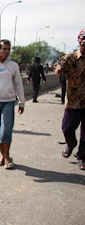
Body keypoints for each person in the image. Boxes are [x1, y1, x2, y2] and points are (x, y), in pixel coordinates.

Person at [0, 39, 25, 169]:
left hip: (8, 102)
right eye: (4, 49)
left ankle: (8, 156)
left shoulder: (13, 66)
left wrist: (22, 102)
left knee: (6, 130)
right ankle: (2, 156)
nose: (7, 51)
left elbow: (18, 84)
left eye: (9, 49)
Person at [55, 29, 85, 170]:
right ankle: (71, 144)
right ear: (78, 40)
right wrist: (59, 68)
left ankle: (82, 156)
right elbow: (60, 64)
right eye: (82, 39)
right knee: (67, 128)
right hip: (73, 101)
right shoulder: (71, 57)